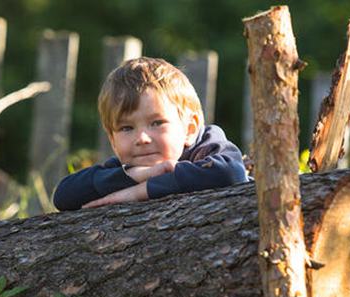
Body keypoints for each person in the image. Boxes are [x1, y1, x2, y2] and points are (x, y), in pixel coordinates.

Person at [53, 57, 248, 211]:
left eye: (157, 123)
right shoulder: (132, 166)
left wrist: (140, 191)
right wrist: (143, 175)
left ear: (190, 128)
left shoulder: (208, 146)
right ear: (112, 139)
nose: (142, 139)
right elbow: (63, 196)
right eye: (126, 128)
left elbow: (231, 174)